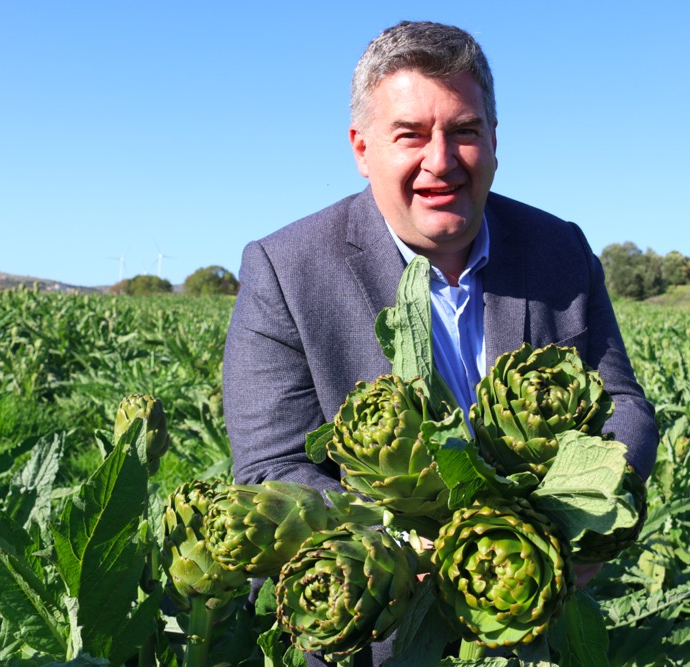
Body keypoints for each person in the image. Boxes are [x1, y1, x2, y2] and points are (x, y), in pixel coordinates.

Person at [223, 20, 658, 666]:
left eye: (464, 131)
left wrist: (578, 517)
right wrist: (406, 545)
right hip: (381, 638)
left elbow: (624, 405)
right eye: (411, 135)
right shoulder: (285, 272)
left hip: (541, 621)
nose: (441, 160)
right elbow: (270, 468)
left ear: (494, 140)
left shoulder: (560, 250)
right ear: (362, 148)